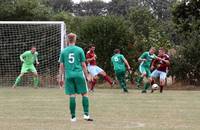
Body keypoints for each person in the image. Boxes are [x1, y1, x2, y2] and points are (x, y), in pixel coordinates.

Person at [58, 33, 93, 122]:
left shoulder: (64, 51)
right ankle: (86, 115)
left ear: (67, 40)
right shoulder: (79, 50)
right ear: (75, 39)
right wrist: (87, 75)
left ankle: (73, 117)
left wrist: (60, 78)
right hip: (79, 74)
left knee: (72, 96)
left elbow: (61, 66)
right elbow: (83, 65)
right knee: (84, 94)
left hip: (69, 76)